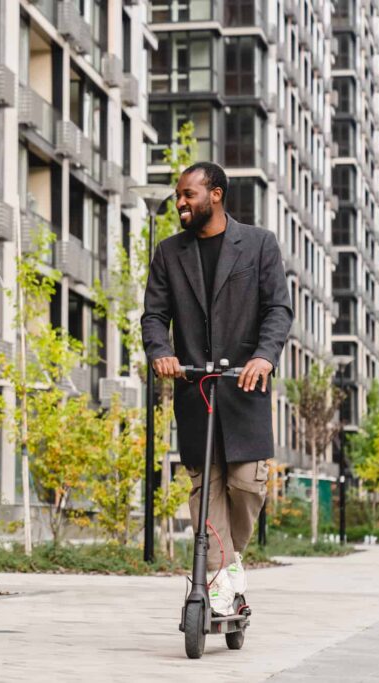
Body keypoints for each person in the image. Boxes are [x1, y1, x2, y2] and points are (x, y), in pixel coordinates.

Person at [141, 162, 292, 615]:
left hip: (244, 387)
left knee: (247, 485)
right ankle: (221, 579)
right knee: (205, 490)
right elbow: (154, 315)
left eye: (188, 194)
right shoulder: (169, 252)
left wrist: (264, 356)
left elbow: (278, 309)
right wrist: (161, 352)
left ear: (216, 194)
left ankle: (229, 564)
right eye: (178, 196)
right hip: (196, 390)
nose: (180, 203)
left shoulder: (260, 244)